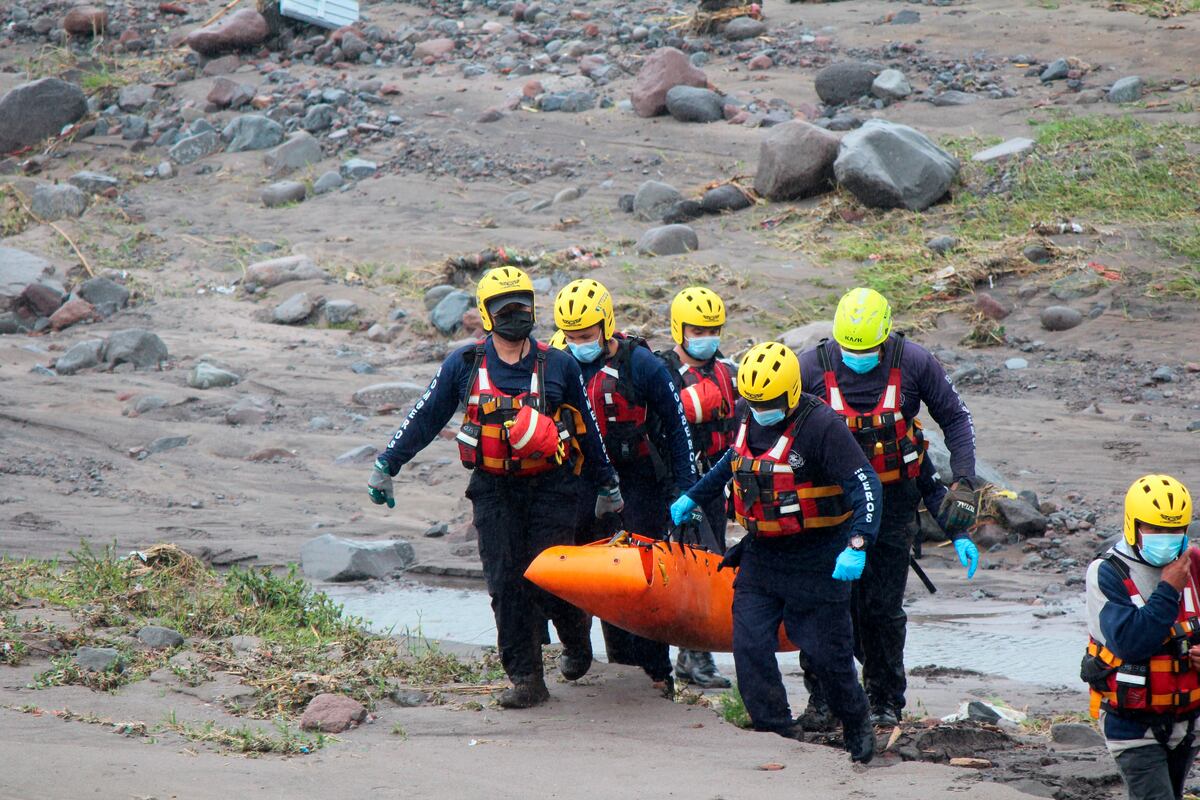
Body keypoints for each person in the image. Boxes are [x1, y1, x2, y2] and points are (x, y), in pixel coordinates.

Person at [366, 266, 624, 709]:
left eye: (522, 306)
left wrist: (607, 484)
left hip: (552, 487)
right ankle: (526, 679)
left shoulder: (558, 364)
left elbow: (588, 431)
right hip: (493, 490)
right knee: (506, 583)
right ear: (486, 315)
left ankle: (576, 637)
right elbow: (426, 415)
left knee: (550, 578)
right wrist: (388, 463)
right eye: (503, 309)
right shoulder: (465, 365)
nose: (514, 314)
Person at [669, 342, 882, 763]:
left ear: (791, 393)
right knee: (749, 644)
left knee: (829, 657)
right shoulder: (748, 415)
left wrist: (858, 543)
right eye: (754, 402)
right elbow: (731, 461)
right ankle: (775, 728)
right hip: (762, 555)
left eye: (768, 403)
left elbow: (866, 485)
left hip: (819, 559)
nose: (761, 410)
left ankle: (857, 721)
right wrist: (693, 496)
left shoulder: (822, 427)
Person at [797, 287, 981, 730]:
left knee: (882, 609)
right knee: (824, 604)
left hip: (895, 501)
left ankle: (884, 701)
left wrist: (964, 480)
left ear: (884, 338)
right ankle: (823, 700)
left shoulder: (915, 363)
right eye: (850, 350)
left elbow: (955, 418)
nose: (858, 358)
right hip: (830, 504)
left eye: (867, 351)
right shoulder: (809, 368)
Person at [554, 278, 698, 696]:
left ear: (605, 324)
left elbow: (678, 428)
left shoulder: (642, 365)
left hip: (638, 482)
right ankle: (597, 655)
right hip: (583, 481)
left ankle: (656, 673)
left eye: (586, 335)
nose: (579, 343)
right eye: (571, 337)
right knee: (588, 575)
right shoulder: (558, 364)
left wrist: (687, 490)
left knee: (641, 578)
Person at [1084, 474, 1197, 800]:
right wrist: (1168, 589)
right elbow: (1130, 643)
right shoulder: (1107, 572)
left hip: (1186, 724)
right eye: (1155, 529)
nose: (1167, 539)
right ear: (1133, 526)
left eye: (1175, 530)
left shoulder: (1195, 565)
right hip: (1131, 726)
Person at [655, 286, 736, 690]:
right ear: (679, 329)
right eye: (698, 330)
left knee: (711, 560)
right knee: (696, 565)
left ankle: (690, 656)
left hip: (716, 482)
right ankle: (698, 656)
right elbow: (652, 425)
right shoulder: (662, 370)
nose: (707, 337)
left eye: (713, 329)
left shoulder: (729, 372)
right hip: (679, 483)